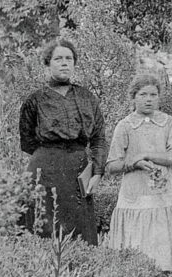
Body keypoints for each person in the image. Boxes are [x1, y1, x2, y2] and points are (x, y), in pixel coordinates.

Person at [18, 39, 107, 243]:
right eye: (58, 59)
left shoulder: (87, 98)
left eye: (69, 58)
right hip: (45, 171)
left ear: (75, 63)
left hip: (78, 171)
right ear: (48, 63)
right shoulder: (35, 100)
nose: (64, 63)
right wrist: (51, 156)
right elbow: (27, 141)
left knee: (80, 233)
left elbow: (99, 138)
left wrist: (97, 173)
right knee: (44, 231)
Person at [104, 74, 172, 271]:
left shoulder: (168, 123)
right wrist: (134, 163)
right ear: (133, 98)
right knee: (138, 250)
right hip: (135, 196)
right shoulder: (125, 126)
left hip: (164, 195)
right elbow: (112, 166)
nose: (148, 99)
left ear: (159, 97)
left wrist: (148, 154)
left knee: (164, 252)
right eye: (143, 94)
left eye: (153, 94)